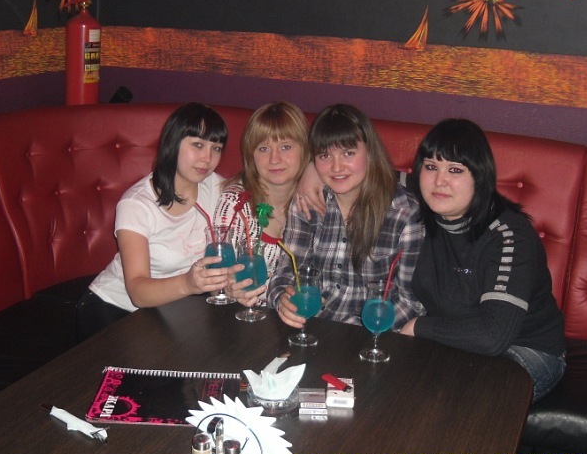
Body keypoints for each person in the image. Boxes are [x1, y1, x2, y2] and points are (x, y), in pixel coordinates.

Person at [399, 118, 566, 402]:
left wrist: (419, 326)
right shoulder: (427, 198)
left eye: (455, 170)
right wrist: (317, 176)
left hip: (525, 349)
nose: (439, 181)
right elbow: (370, 175)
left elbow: (493, 336)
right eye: (431, 166)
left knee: (454, 402)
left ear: (480, 176)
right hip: (455, 344)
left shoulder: (509, 236)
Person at [76, 102, 231, 340]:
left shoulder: (216, 187)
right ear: (173, 142)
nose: (208, 158)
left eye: (216, 148)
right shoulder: (137, 204)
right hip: (117, 307)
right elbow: (137, 291)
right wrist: (189, 284)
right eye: (198, 145)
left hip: (174, 308)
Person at [267, 103, 423, 330]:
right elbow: (286, 273)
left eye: (348, 153)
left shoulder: (404, 213)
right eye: (325, 155)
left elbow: (411, 303)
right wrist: (282, 299)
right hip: (310, 326)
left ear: (369, 152)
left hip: (370, 336)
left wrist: (355, 330)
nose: (336, 167)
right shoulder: (307, 201)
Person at [214, 101, 310, 309]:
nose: (274, 159)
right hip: (243, 314)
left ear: (304, 149)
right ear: (251, 155)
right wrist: (227, 288)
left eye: (285, 147)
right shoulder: (235, 204)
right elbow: (216, 280)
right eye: (264, 149)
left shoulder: (316, 200)